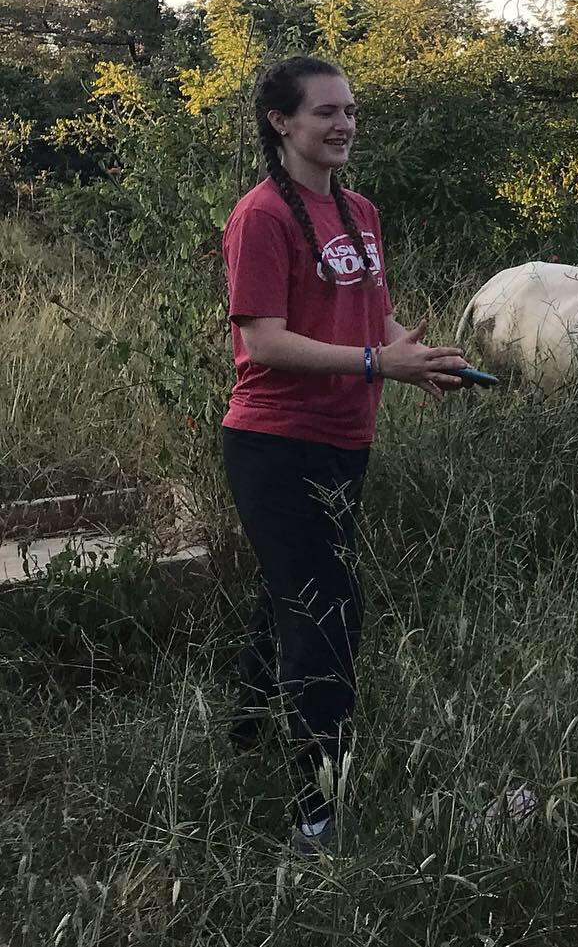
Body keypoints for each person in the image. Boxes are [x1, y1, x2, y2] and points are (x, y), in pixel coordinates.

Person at [220, 54, 468, 855]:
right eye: (325, 111)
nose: (343, 124)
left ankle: (241, 738)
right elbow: (262, 339)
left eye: (350, 110)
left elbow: (378, 322)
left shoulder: (359, 210)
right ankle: (315, 821)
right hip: (274, 442)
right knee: (327, 615)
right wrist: (373, 363)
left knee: (290, 592)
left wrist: (417, 357)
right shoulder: (262, 216)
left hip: (346, 441)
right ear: (281, 122)